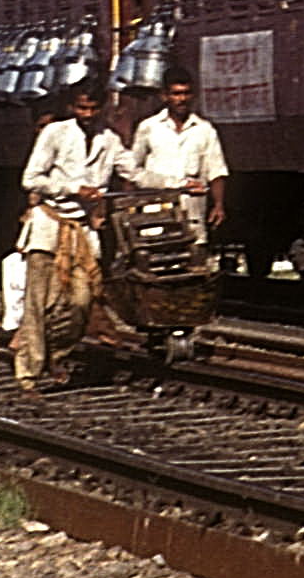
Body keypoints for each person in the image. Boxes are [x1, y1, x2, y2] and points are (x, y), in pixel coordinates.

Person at [15, 80, 118, 390]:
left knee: (82, 301)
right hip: (48, 227)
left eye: (93, 108)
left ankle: (54, 354)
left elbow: (134, 171)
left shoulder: (109, 140)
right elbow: (31, 178)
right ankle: (28, 375)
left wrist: (180, 184)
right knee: (39, 304)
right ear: (72, 107)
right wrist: (73, 189)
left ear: (102, 108)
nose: (87, 114)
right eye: (82, 107)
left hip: (82, 233)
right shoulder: (55, 133)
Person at [118, 72, 229, 248]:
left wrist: (218, 205)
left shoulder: (205, 129)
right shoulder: (149, 127)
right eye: (176, 94)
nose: (181, 99)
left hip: (191, 211)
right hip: (155, 210)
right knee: (156, 259)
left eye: (186, 93)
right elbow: (132, 170)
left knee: (192, 258)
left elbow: (217, 170)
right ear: (165, 96)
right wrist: (128, 208)